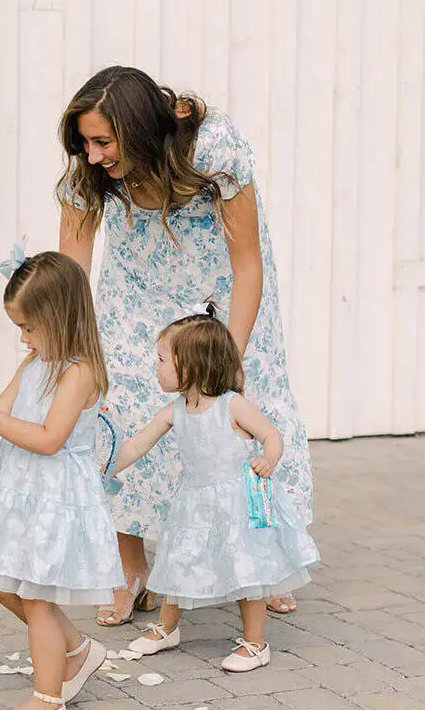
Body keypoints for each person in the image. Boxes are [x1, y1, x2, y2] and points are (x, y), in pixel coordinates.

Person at [57, 66, 312, 628]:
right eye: (85, 143)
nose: (93, 155)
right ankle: (132, 570)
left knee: (241, 418)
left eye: (104, 141)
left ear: (142, 129)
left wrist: (228, 359)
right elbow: (71, 275)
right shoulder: (87, 171)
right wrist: (69, 352)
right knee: (121, 408)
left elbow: (248, 265)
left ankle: (263, 562)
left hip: (221, 290)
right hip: (136, 290)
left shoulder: (213, 147)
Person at [0, 251, 122, 710]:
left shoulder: (78, 372)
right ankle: (79, 651)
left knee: (36, 596)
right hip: (21, 492)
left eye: (29, 327)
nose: (23, 338)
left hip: (56, 498)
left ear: (60, 320)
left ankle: (48, 701)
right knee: (4, 583)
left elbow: (48, 438)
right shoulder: (34, 363)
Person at [114, 309, 319, 670]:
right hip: (193, 502)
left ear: (190, 367)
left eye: (162, 360)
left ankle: (256, 643)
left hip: (236, 503)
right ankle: (167, 627)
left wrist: (269, 460)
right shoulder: (176, 409)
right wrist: (107, 466)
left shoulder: (232, 405)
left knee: (246, 570)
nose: (155, 368)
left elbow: (271, 434)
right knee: (177, 560)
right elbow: (138, 444)